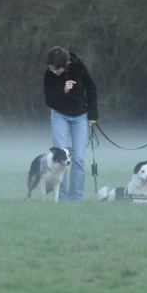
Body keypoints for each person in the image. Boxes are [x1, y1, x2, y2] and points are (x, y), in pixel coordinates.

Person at [43, 46, 98, 202]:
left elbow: (91, 88)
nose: (54, 71)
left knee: (78, 158)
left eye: (57, 69)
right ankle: (61, 196)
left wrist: (93, 113)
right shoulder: (49, 75)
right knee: (60, 156)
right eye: (51, 68)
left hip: (80, 116)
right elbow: (49, 100)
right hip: (59, 115)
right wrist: (63, 90)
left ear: (66, 63)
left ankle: (75, 198)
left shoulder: (79, 67)